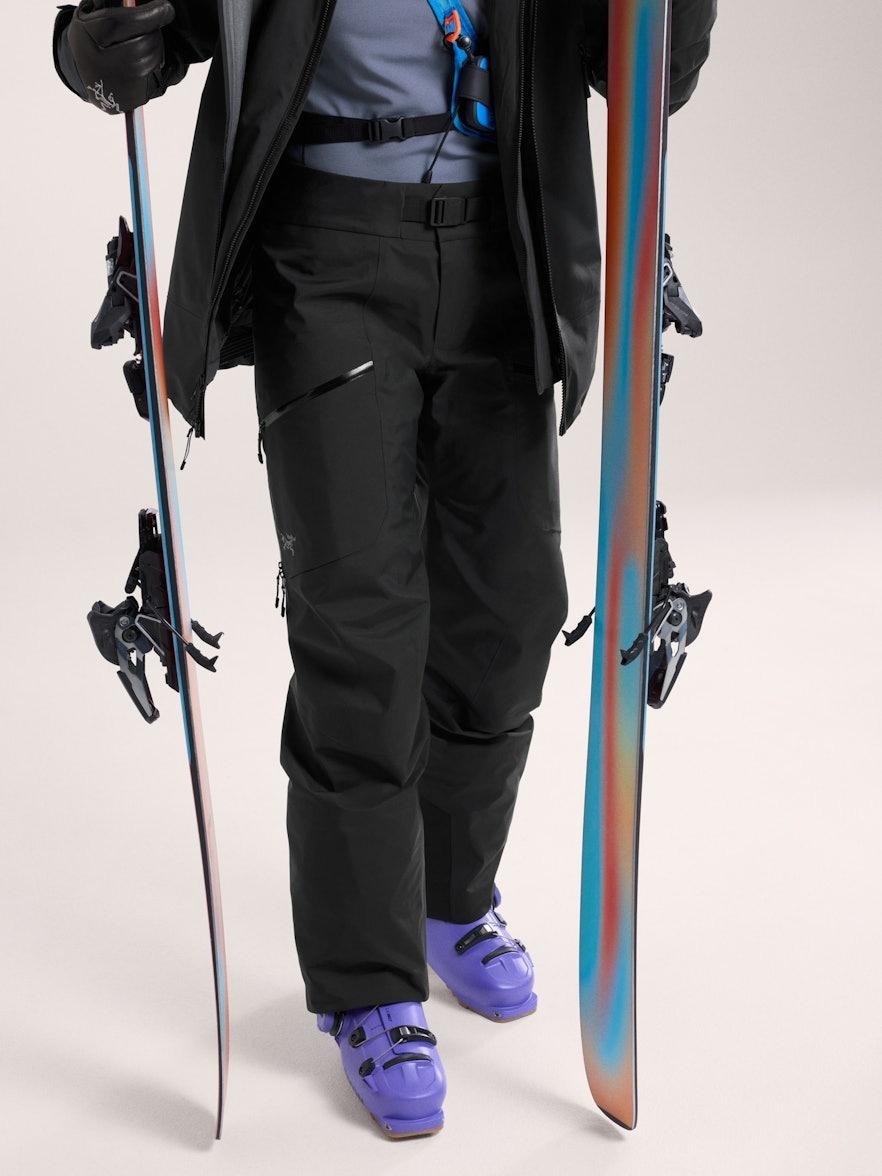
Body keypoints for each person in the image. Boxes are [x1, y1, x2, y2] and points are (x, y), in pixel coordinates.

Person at [53, 0, 716, 1140]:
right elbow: (134, 42)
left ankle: (451, 900)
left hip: (507, 250)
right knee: (360, 628)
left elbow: (645, 79)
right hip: (328, 256)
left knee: (511, 615)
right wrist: (93, 48)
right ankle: (368, 983)